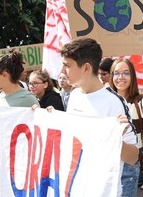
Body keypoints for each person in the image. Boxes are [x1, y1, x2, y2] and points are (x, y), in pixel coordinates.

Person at [59, 38, 138, 197]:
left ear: (86, 68)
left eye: (67, 65)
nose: (62, 71)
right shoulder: (74, 96)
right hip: (76, 187)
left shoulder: (115, 103)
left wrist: (114, 139)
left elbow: (133, 157)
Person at [109, 58, 143, 197]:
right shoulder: (105, 100)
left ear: (133, 76)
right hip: (106, 162)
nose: (121, 77)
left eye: (126, 73)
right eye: (116, 73)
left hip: (129, 165)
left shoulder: (140, 101)